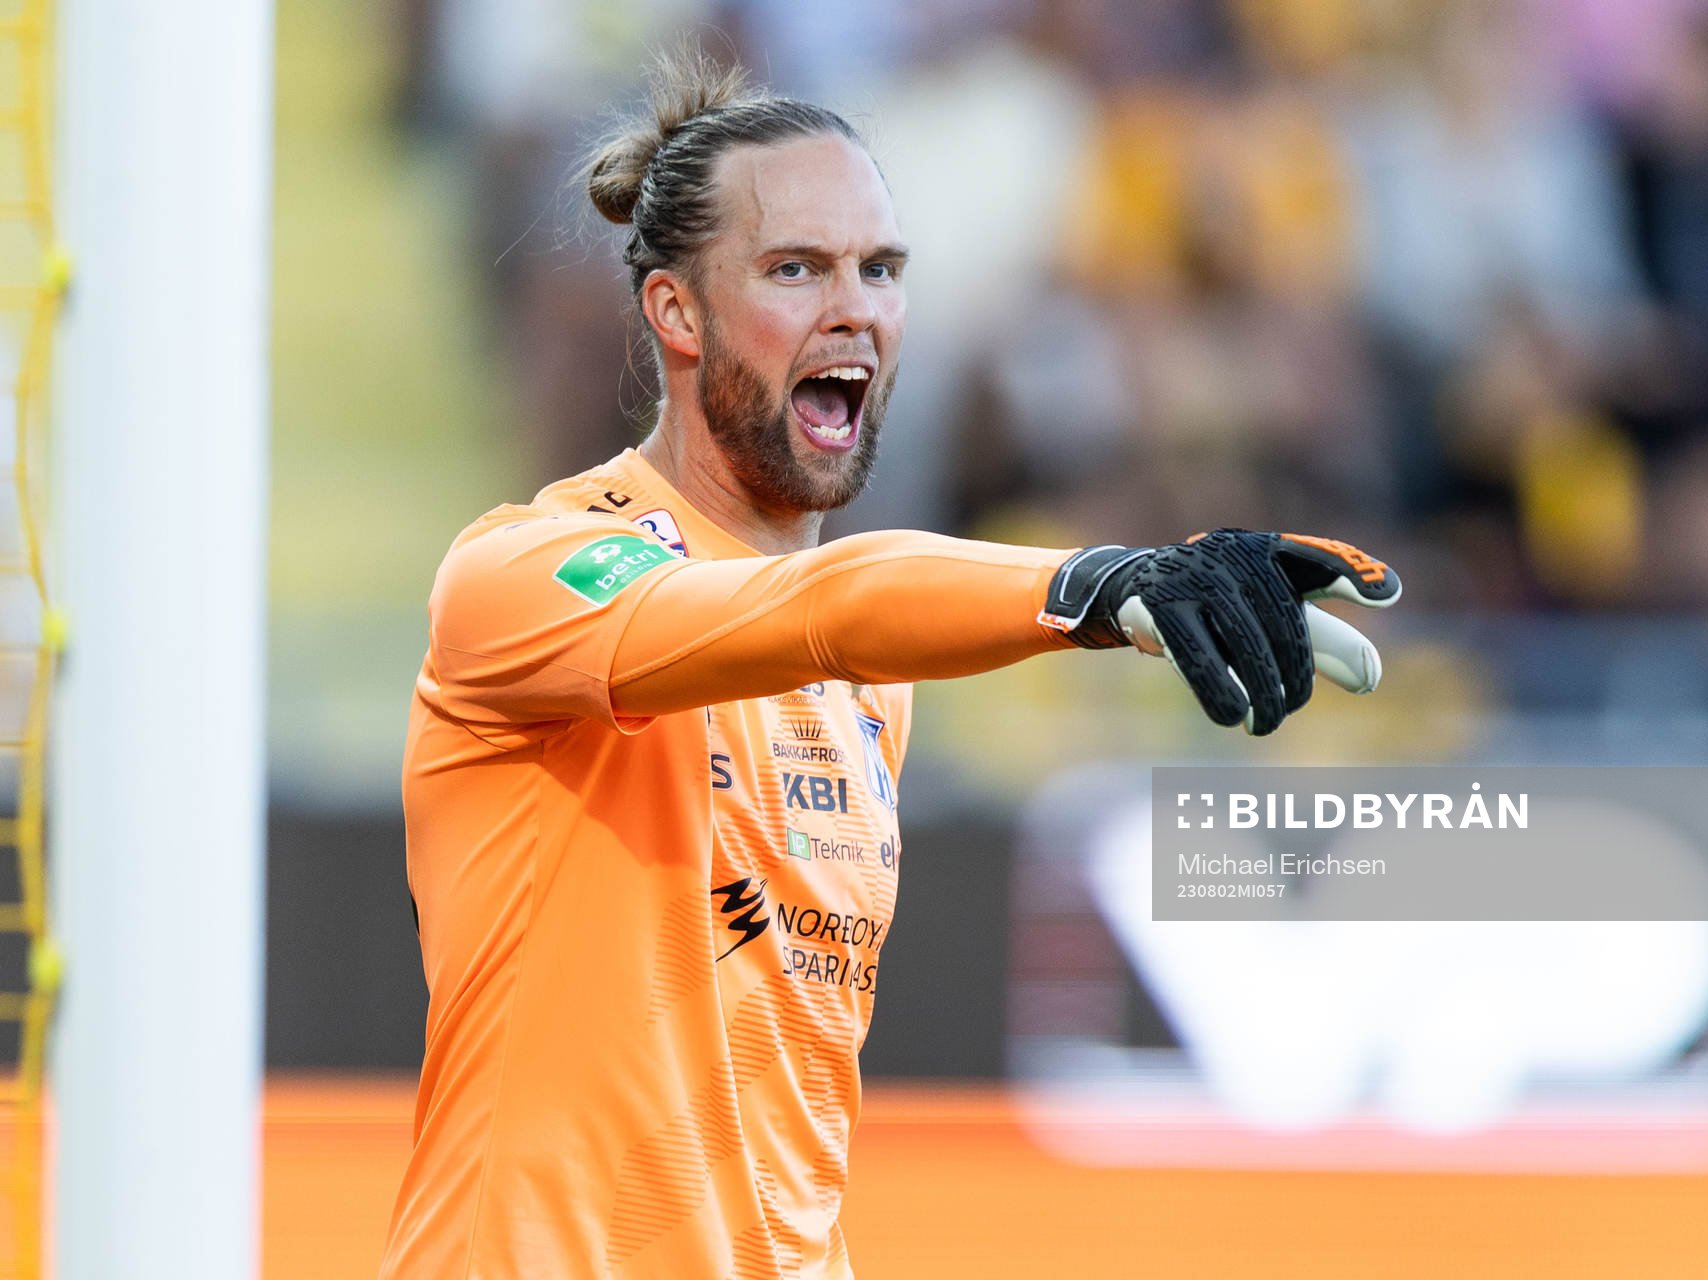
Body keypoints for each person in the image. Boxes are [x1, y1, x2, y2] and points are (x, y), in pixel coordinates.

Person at [381, 50, 1401, 1279]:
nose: (853, 305)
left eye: (882, 269)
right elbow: (820, 607)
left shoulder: (872, 681)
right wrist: (1086, 587)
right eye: (796, 267)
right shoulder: (525, 577)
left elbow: (783, 1126)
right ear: (677, 312)